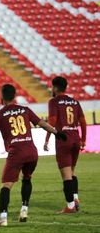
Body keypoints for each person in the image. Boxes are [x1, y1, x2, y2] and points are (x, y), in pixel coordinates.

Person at [0, 84, 66, 227]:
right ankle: (24, 210)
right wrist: (57, 133)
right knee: (27, 178)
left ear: (1, 97)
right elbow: (42, 124)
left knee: (6, 185)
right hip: (32, 152)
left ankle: (3, 217)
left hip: (16, 152)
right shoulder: (25, 110)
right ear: (14, 96)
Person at [44, 76, 86, 213]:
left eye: (52, 87)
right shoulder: (74, 102)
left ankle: (70, 206)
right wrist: (83, 139)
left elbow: (52, 121)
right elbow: (83, 121)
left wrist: (47, 139)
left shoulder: (53, 102)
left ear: (55, 87)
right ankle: (75, 198)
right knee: (72, 172)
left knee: (66, 175)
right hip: (75, 138)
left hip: (63, 140)